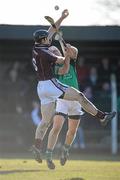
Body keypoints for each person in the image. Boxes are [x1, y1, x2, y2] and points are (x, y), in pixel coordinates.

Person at [31, 9, 116, 165]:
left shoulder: (38, 47)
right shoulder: (46, 53)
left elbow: (51, 30)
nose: (49, 41)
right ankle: (102, 116)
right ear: (43, 40)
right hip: (50, 84)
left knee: (45, 122)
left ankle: (36, 148)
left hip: (41, 88)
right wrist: (67, 54)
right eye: (47, 40)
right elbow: (62, 62)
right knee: (79, 96)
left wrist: (61, 18)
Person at [45, 45, 84, 169]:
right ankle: (49, 155)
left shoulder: (70, 60)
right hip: (63, 100)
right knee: (56, 127)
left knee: (72, 131)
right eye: (51, 52)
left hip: (76, 100)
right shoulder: (52, 68)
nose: (54, 52)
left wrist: (69, 47)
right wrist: (67, 54)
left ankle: (65, 150)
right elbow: (64, 70)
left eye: (55, 50)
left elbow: (75, 52)